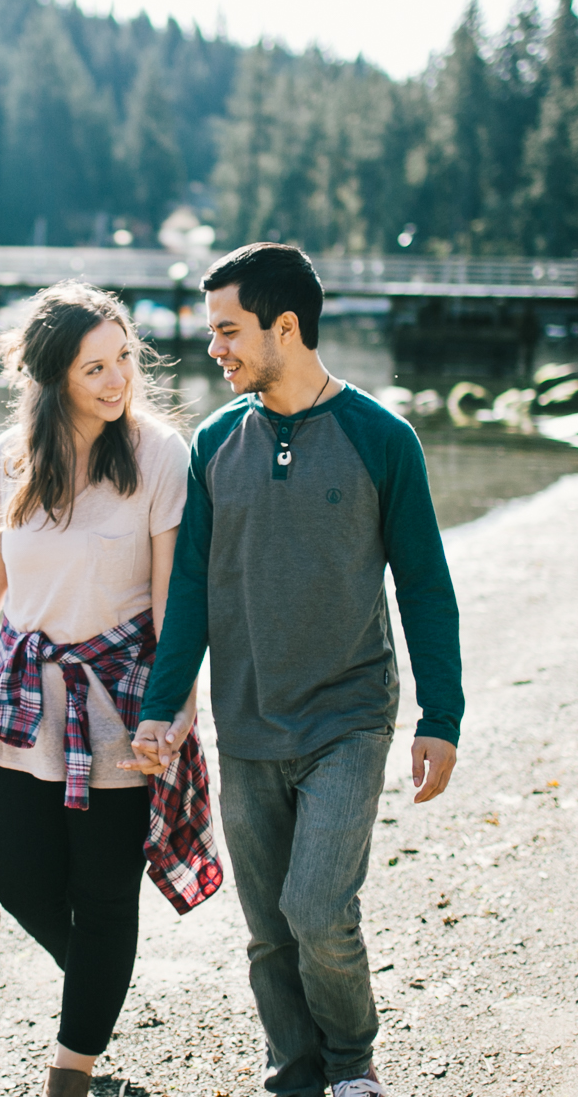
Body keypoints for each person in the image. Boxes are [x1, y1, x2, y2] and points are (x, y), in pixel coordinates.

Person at [128, 242, 462, 1097]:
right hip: (246, 723)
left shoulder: (381, 439)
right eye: (212, 332)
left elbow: (423, 583)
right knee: (269, 928)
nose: (215, 348)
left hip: (347, 717)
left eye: (229, 330)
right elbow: (194, 592)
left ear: (286, 326)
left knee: (317, 908)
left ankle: (351, 1065)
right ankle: (294, 1071)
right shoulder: (213, 446)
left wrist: (441, 716)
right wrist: (165, 707)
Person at [0, 282, 223, 1097]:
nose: (119, 380)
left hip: (123, 701)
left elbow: (171, 595)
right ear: (53, 377)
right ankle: (98, 981)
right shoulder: (9, 458)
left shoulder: (159, 453)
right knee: (18, 876)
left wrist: (174, 706)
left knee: (105, 890)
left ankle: (72, 1068)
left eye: (124, 358)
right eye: (96, 368)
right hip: (23, 697)